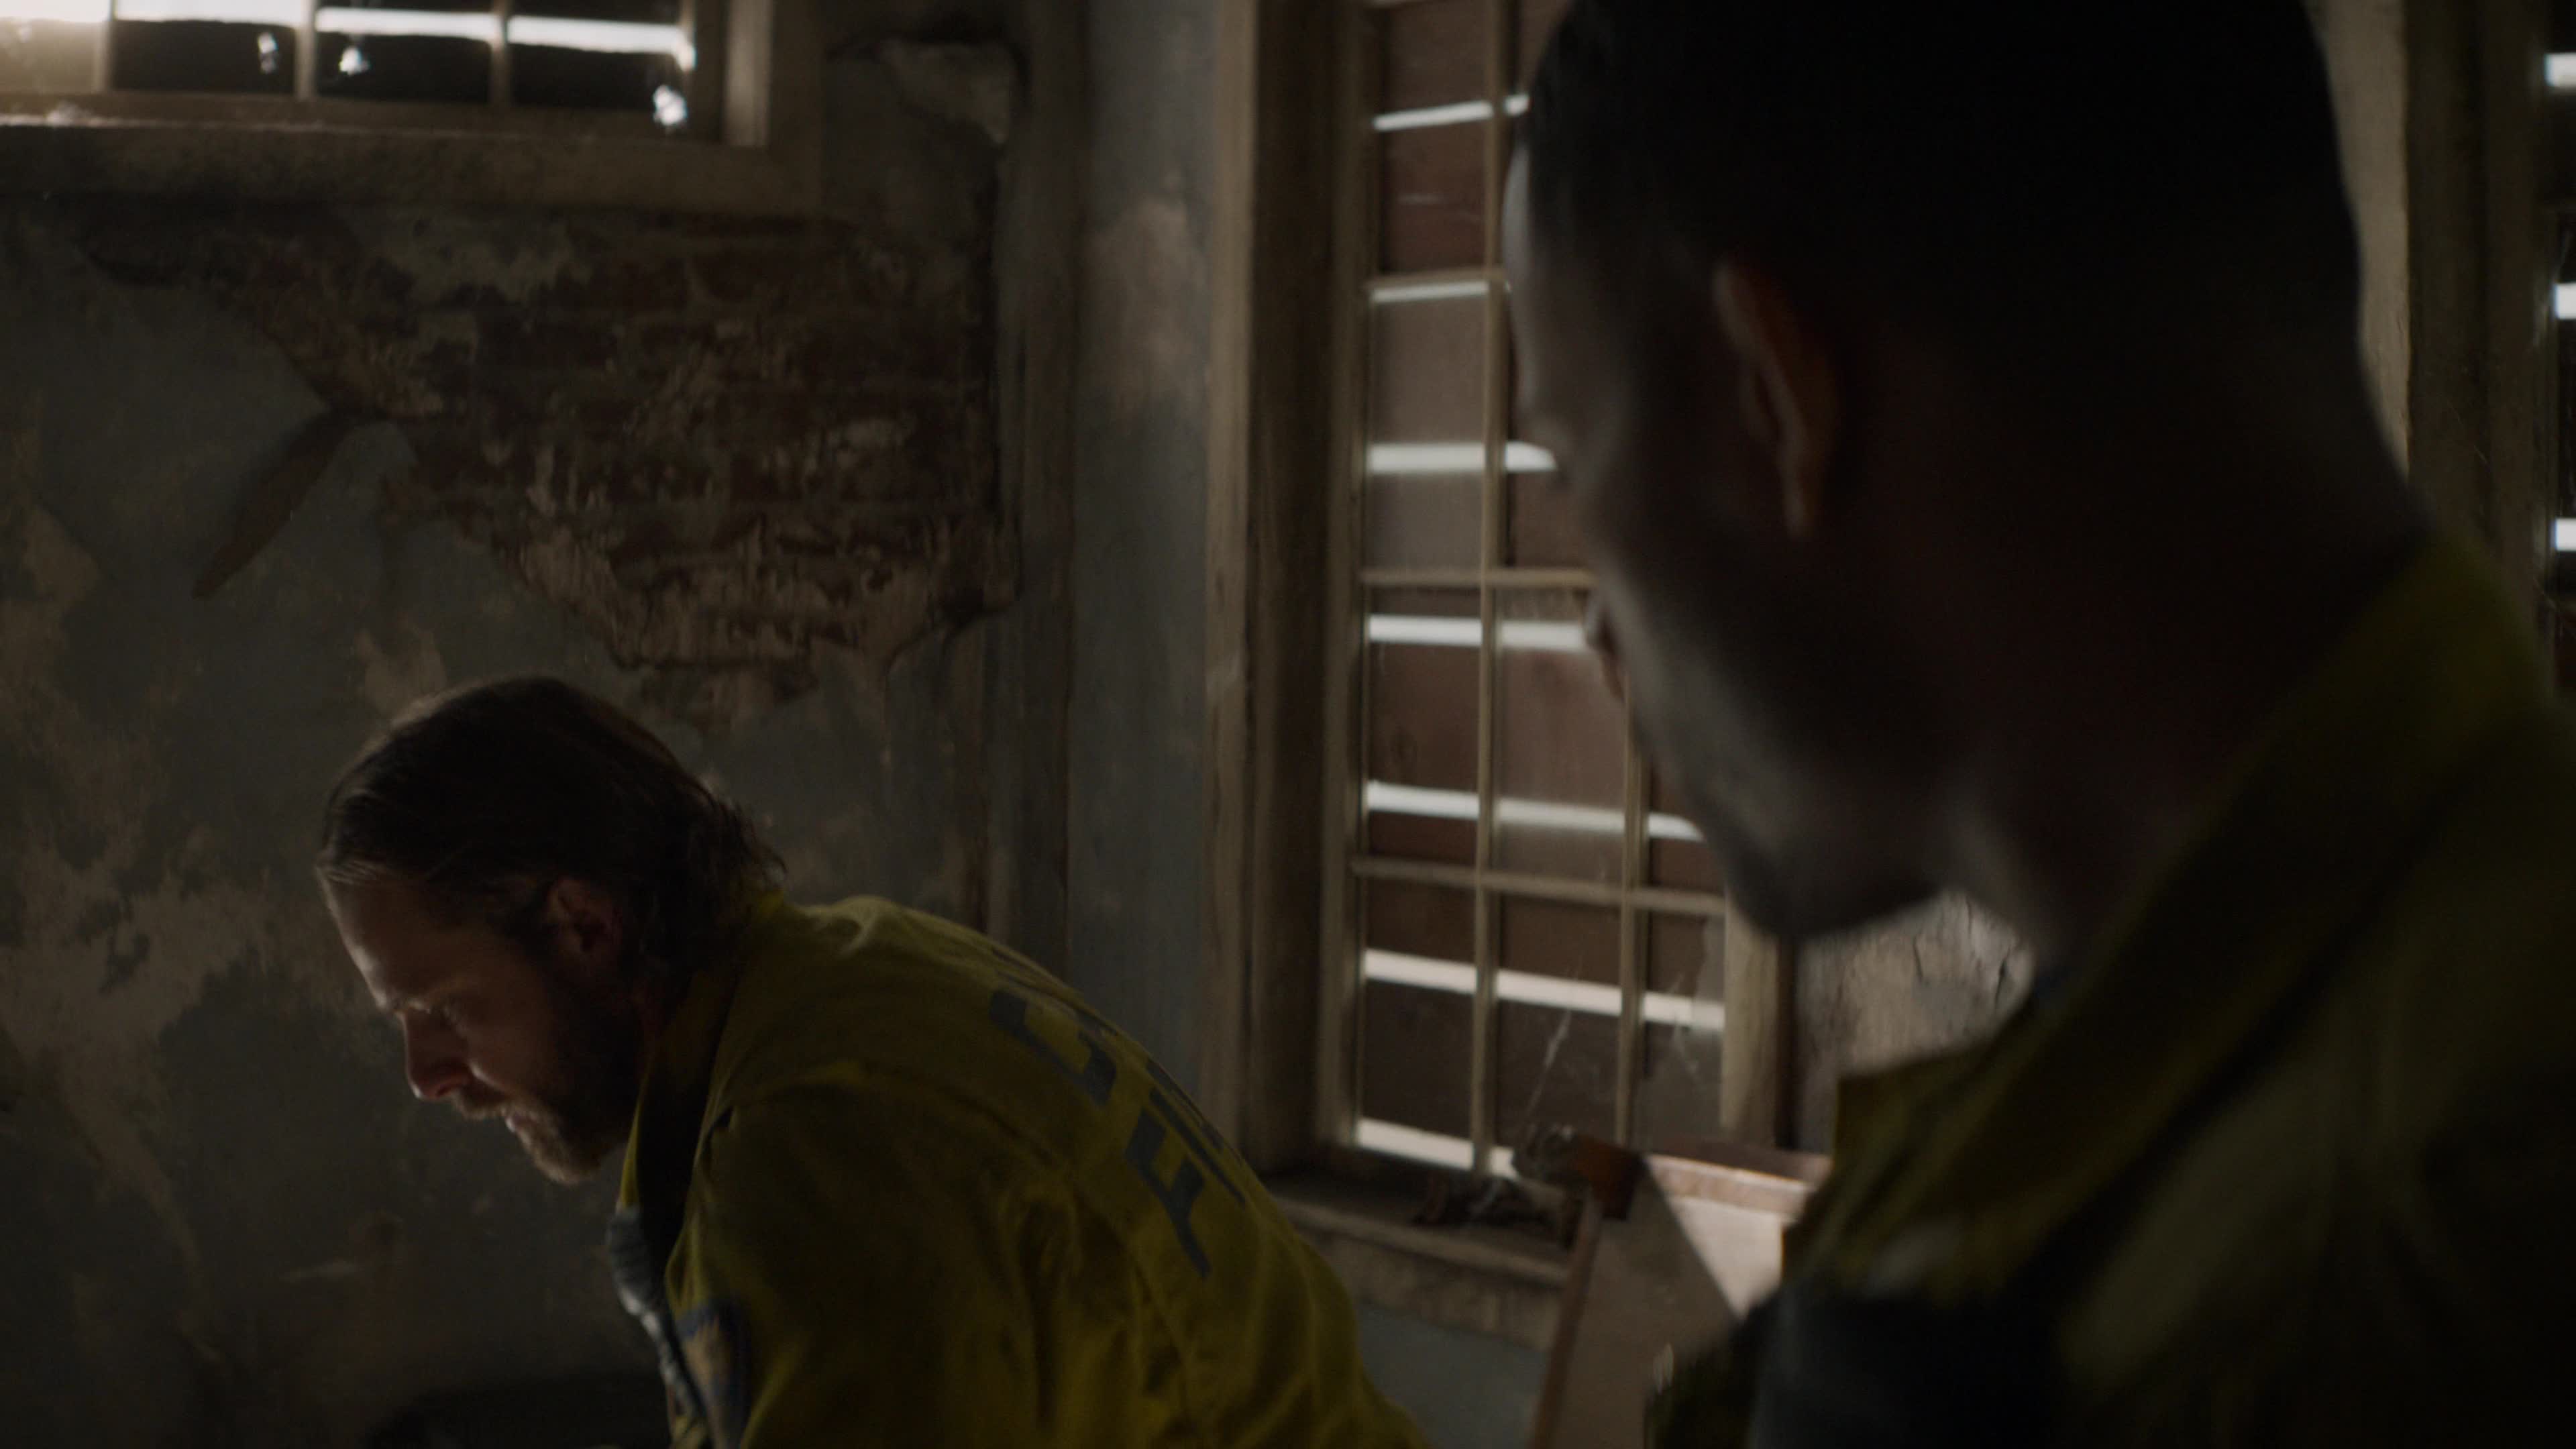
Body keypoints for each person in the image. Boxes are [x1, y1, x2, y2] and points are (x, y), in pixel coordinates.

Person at [1509, 1, 2576, 1443]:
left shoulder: (2346, 1290)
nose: (1598, 631)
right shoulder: (2214, 1069)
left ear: (1777, 393)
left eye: (1574, 459)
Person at [316, 678, 1426, 1449]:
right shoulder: (856, 973)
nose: (426, 1074)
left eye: (443, 1009)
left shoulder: (813, 1141)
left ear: (585, 927)